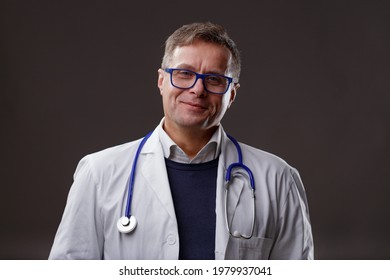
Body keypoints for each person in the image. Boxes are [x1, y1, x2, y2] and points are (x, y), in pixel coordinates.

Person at [49, 22, 314, 260]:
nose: (198, 89)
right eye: (184, 74)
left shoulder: (278, 178)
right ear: (161, 81)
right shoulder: (99, 173)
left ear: (231, 94)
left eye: (214, 79)